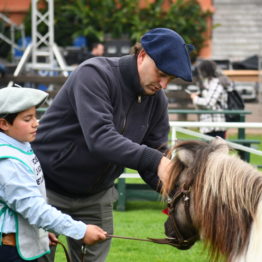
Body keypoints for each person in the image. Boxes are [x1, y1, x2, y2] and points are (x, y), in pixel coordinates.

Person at [32, 27, 193, 262]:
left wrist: (182, 190)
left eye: (170, 79)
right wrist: (157, 160)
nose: (164, 84)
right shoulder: (94, 74)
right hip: (46, 191)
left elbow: (155, 155)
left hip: (96, 197)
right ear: (142, 55)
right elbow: (100, 138)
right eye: (161, 73)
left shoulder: (157, 101)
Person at [0, 87, 107, 262]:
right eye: (27, 119)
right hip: (11, 252)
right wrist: (80, 231)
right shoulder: (8, 162)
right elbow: (33, 207)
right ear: (4, 124)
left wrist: (39, 233)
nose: (36, 123)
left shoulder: (20, 145)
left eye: (35, 116)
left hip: (20, 244)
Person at [189, 59, 228, 138]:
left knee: (217, 149)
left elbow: (209, 103)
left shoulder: (216, 82)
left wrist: (195, 98)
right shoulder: (208, 82)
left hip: (216, 124)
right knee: (208, 149)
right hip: (208, 123)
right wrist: (199, 95)